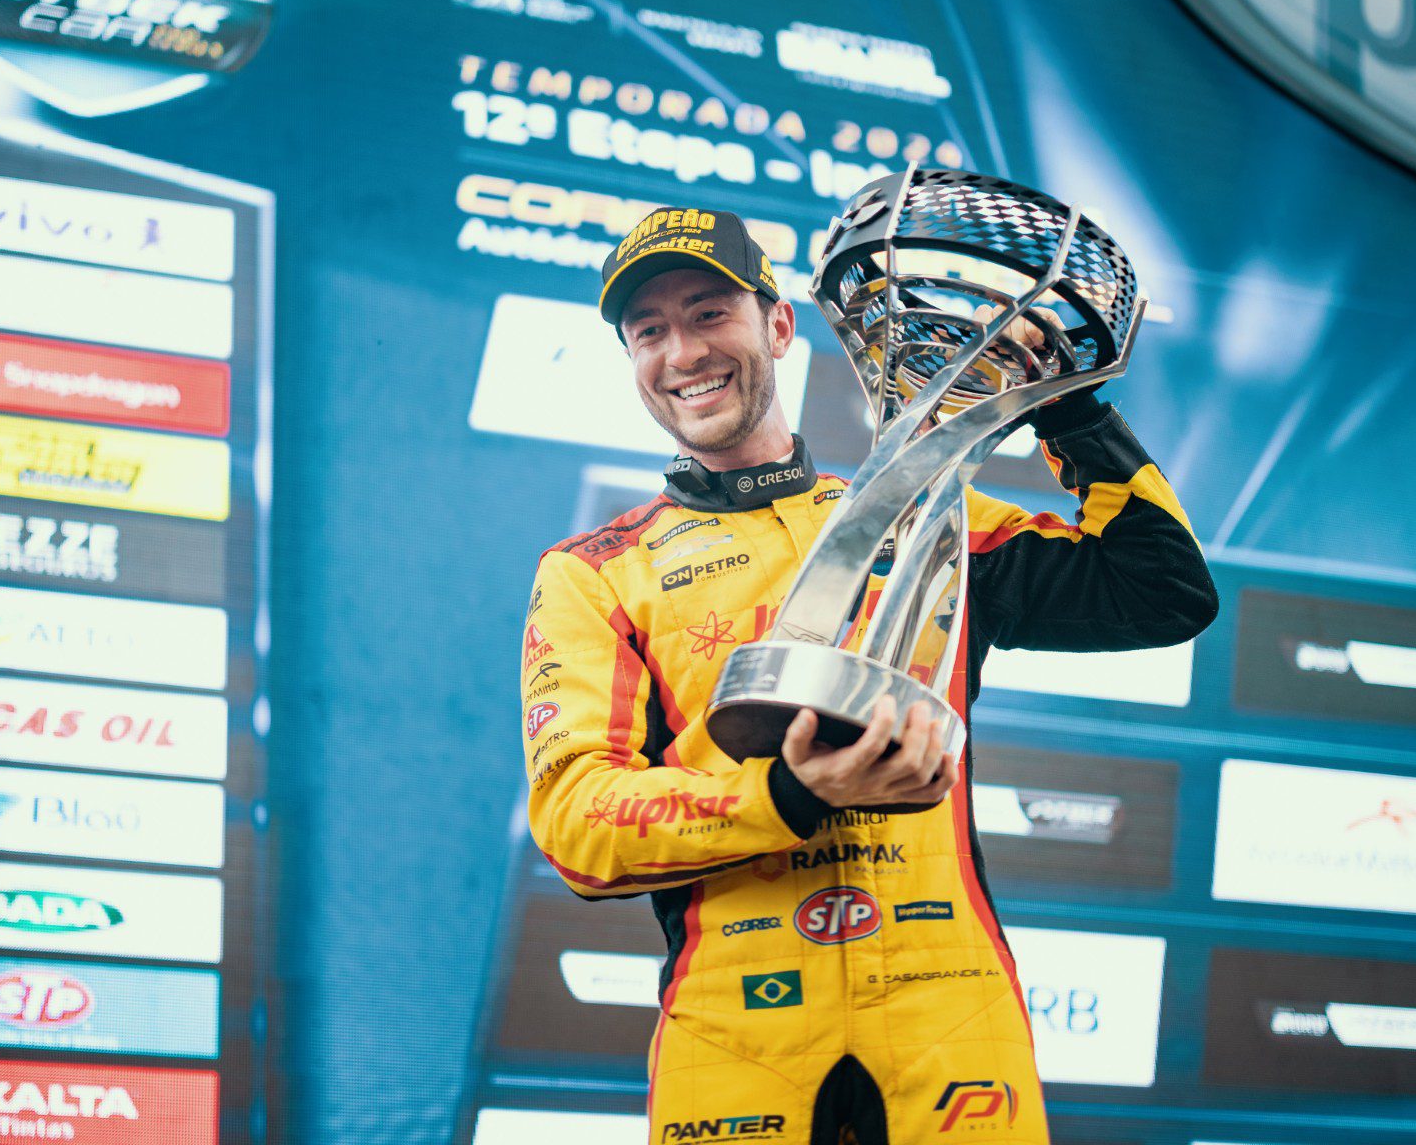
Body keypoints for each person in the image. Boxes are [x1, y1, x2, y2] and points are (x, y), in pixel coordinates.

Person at [519, 205, 1217, 1145]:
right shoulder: (598, 570)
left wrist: (1065, 405)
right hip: (735, 1033)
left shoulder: (927, 517)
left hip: (950, 1017)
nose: (682, 351)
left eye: (709, 312)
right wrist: (789, 792)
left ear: (776, 325)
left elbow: (1160, 592)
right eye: (650, 331)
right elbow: (577, 824)